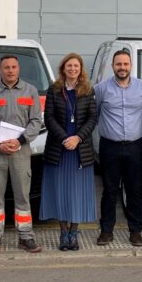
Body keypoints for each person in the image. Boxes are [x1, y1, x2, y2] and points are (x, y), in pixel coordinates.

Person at [0, 55, 43, 254]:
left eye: (13, 67)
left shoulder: (30, 91)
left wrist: (20, 140)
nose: (10, 71)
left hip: (21, 152)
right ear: (0, 70)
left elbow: (36, 122)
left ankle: (26, 236)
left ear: (18, 69)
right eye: (6, 67)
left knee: (22, 195)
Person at [40, 53, 99, 251]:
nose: (73, 69)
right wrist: (65, 138)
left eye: (76, 66)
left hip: (80, 150)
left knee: (77, 193)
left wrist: (78, 138)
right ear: (63, 68)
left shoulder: (88, 90)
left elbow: (92, 118)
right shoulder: (54, 90)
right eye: (69, 66)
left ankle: (74, 232)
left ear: (81, 69)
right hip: (60, 148)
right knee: (61, 192)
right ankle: (63, 232)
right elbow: (49, 118)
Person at [94, 49, 142, 247]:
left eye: (125, 64)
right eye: (118, 64)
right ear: (113, 66)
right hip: (109, 146)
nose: (122, 68)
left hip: (135, 146)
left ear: (131, 66)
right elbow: (96, 112)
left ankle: (135, 231)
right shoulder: (101, 88)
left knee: (135, 190)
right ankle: (106, 231)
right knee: (110, 190)